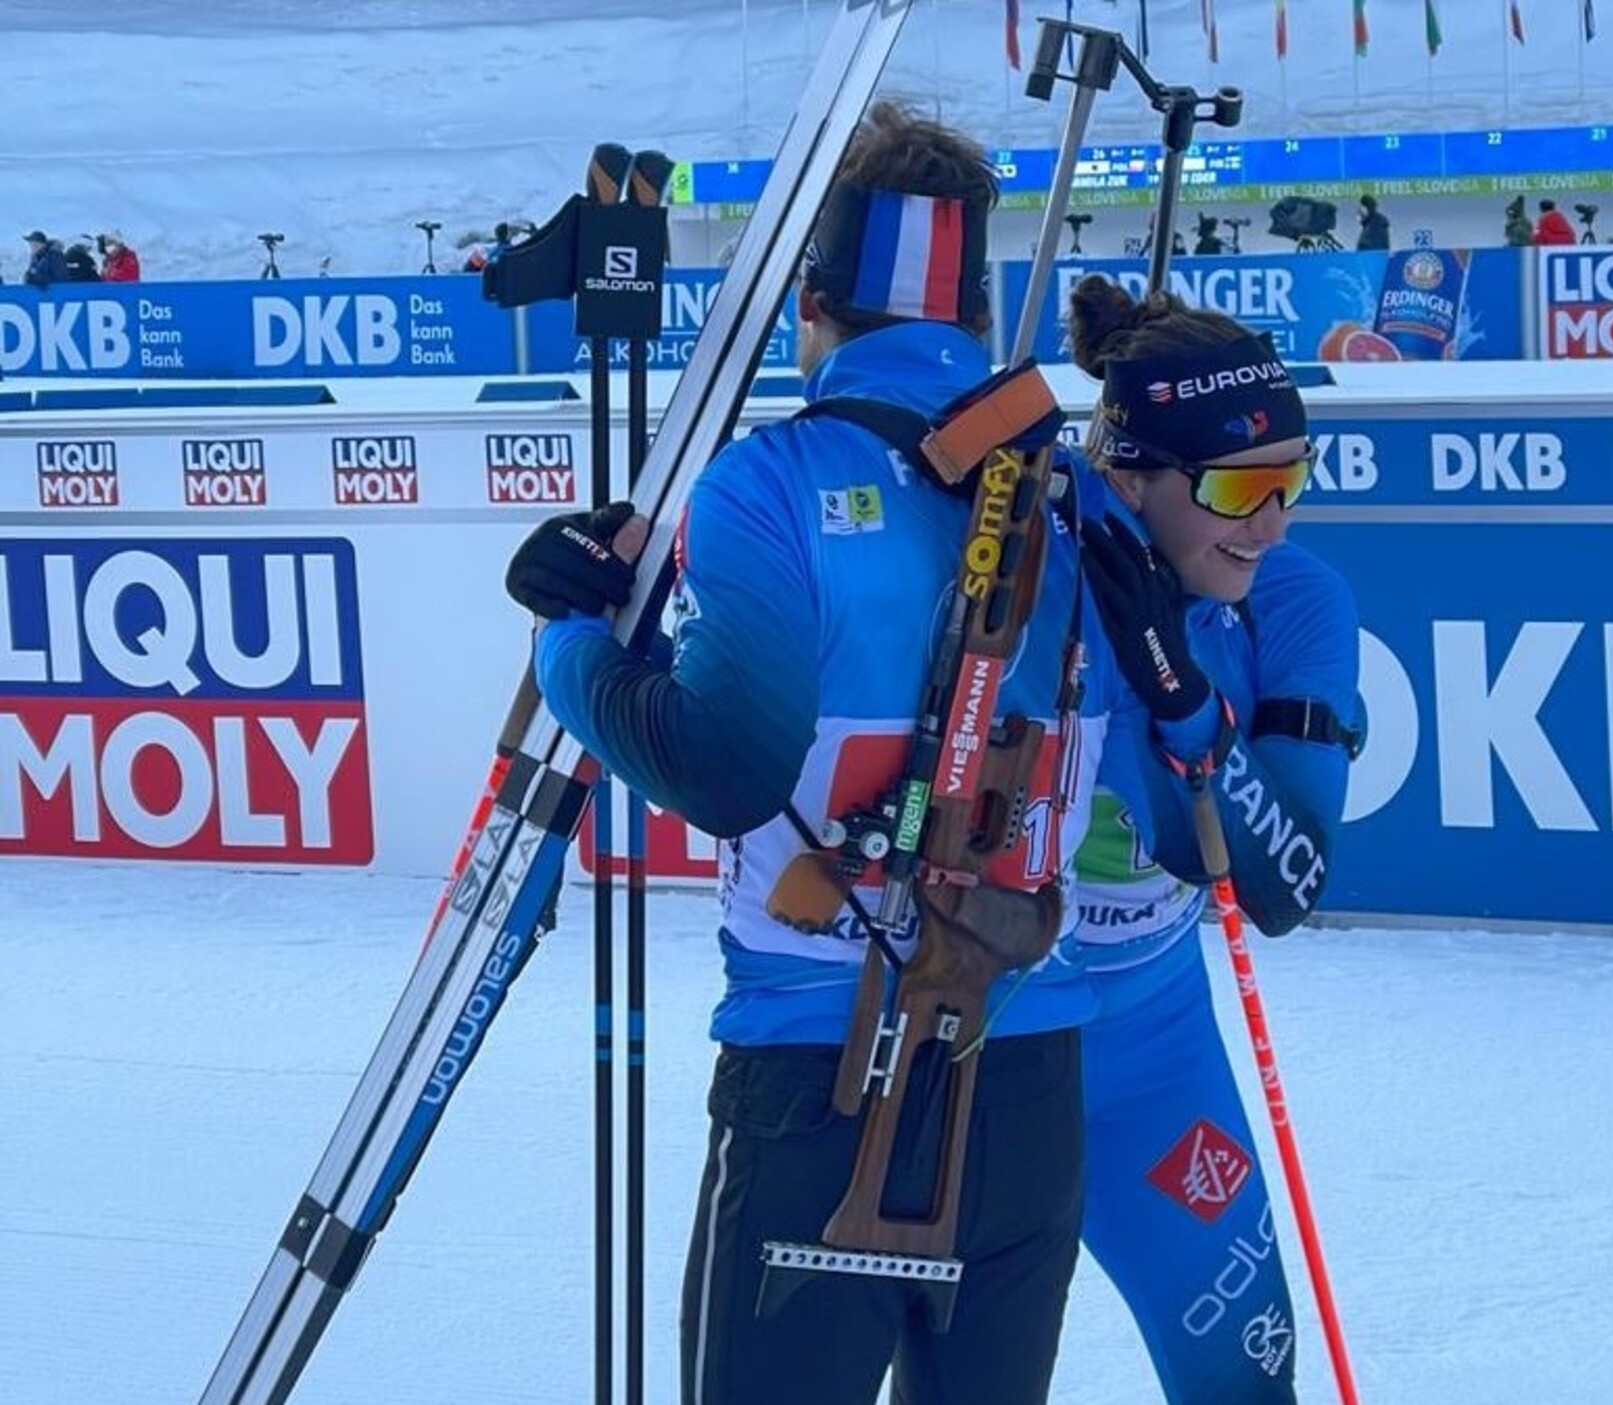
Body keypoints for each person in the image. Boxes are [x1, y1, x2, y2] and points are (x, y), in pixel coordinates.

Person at [504, 102, 1149, 1405]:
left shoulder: (769, 480)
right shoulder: (1069, 486)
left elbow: (725, 763)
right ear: (969, 314)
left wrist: (570, 646)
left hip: (824, 1071)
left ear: (810, 306)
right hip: (1029, 1075)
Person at [1066, 275, 1362, 1404]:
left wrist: (1178, 694)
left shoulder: (1290, 596)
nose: (1273, 521)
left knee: (1245, 1377)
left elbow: (1282, 881)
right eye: (1241, 485)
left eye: (1292, 478)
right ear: (1126, 475)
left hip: (1153, 1044)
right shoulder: (1028, 574)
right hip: (990, 1046)